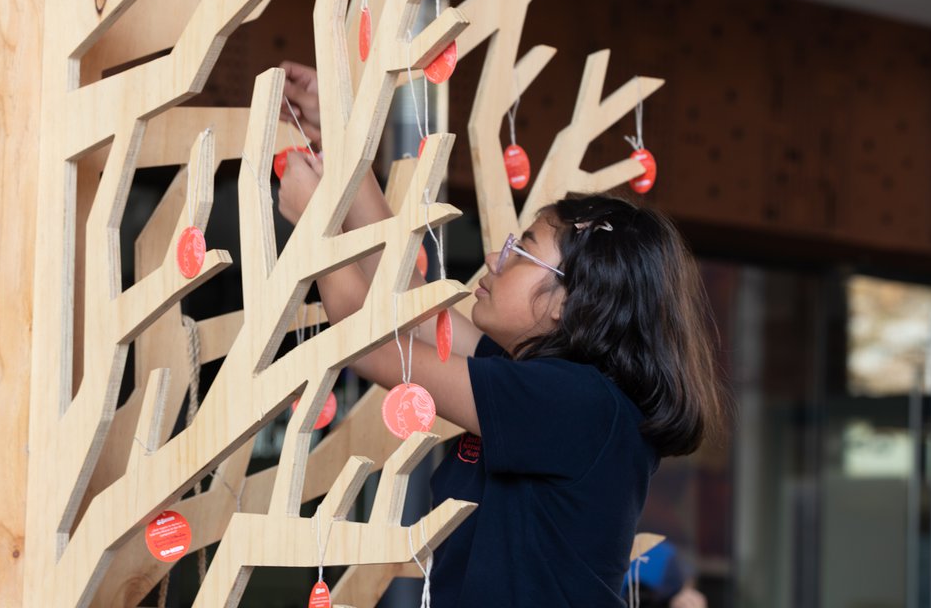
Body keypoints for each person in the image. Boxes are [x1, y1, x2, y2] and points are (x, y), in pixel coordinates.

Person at [275, 61, 728, 607]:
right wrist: (339, 138)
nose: (495, 256)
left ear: (571, 302)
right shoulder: (543, 385)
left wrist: (317, 223)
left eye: (521, 251)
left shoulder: (572, 404)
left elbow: (368, 344)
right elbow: (405, 298)